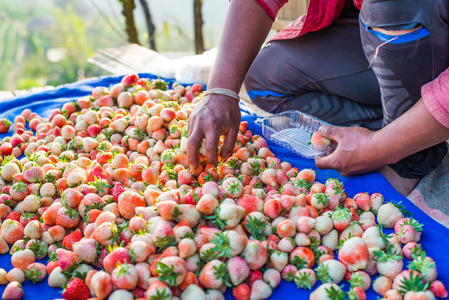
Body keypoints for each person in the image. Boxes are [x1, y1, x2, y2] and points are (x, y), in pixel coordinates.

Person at [186, 0, 449, 196]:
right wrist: (221, 88)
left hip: (420, 25)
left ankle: (411, 157)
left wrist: (380, 148)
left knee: (390, 6)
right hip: (379, 31)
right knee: (265, 78)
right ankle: (411, 122)